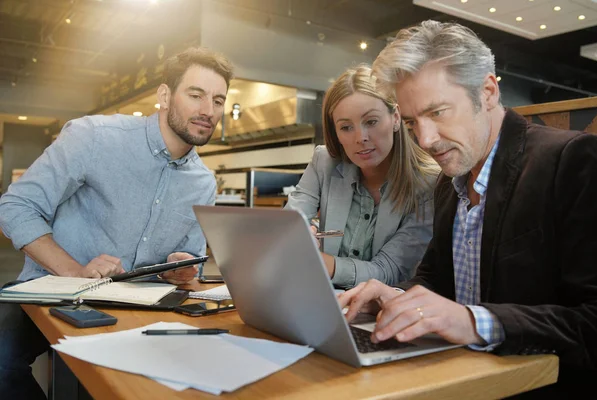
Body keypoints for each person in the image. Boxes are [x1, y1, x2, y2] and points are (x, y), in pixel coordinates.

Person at [338, 20, 597, 397]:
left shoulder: (570, 160)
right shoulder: (450, 180)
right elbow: (436, 280)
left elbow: (594, 321)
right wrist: (395, 296)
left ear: (488, 91)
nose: (425, 139)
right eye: (411, 123)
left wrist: (475, 322)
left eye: (438, 112)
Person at [0, 46, 234, 399]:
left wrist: (182, 267)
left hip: (141, 308)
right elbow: (15, 205)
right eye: (196, 95)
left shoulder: (202, 182)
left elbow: (190, 257)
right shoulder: (94, 136)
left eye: (218, 100)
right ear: (165, 96)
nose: (208, 111)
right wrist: (74, 270)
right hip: (54, 295)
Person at [286, 65, 440, 289]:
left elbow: (389, 270)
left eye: (371, 122)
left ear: (395, 118)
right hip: (324, 302)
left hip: (383, 312)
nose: (361, 138)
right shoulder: (324, 161)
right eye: (346, 127)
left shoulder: (429, 184)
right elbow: (288, 226)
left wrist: (323, 263)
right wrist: (297, 236)